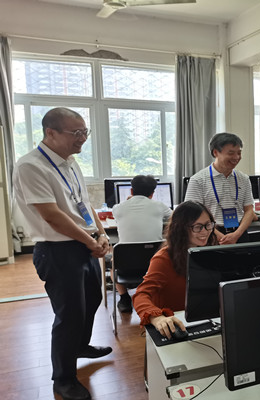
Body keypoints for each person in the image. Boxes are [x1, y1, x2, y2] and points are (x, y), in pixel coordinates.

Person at [13, 107, 111, 400]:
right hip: (58, 250)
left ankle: (80, 346)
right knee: (69, 315)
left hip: (83, 244)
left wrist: (101, 234)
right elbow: (52, 215)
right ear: (50, 133)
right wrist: (90, 241)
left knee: (92, 299)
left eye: (85, 132)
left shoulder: (70, 162)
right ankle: (63, 379)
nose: (83, 138)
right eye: (76, 133)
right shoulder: (30, 166)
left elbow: (84, 203)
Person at [132, 201, 218, 338]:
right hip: (177, 326)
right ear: (181, 228)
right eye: (197, 227)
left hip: (208, 320)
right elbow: (141, 295)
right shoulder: (164, 258)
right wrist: (157, 318)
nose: (205, 231)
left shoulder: (210, 251)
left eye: (208, 225)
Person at [111, 174, 172, 313]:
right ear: (152, 193)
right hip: (155, 265)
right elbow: (175, 216)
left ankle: (124, 299)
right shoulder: (159, 206)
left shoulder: (118, 208)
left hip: (125, 268)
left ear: (131, 191)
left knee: (114, 260)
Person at [184, 132, 255, 244]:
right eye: (231, 153)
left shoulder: (243, 178)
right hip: (209, 235)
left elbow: (249, 210)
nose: (236, 157)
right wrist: (221, 237)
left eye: (239, 153)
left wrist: (236, 235)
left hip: (239, 234)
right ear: (215, 152)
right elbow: (192, 215)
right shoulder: (198, 180)